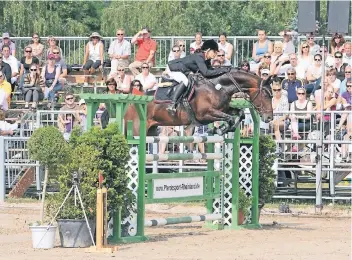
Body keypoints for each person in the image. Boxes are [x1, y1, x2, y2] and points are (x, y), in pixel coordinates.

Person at [166, 39, 230, 112]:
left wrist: (223, 69)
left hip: (183, 70)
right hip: (173, 68)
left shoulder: (206, 59)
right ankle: (172, 104)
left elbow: (211, 70)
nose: (215, 54)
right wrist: (222, 70)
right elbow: (206, 73)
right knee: (185, 81)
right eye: (214, 51)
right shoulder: (199, 57)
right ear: (208, 50)